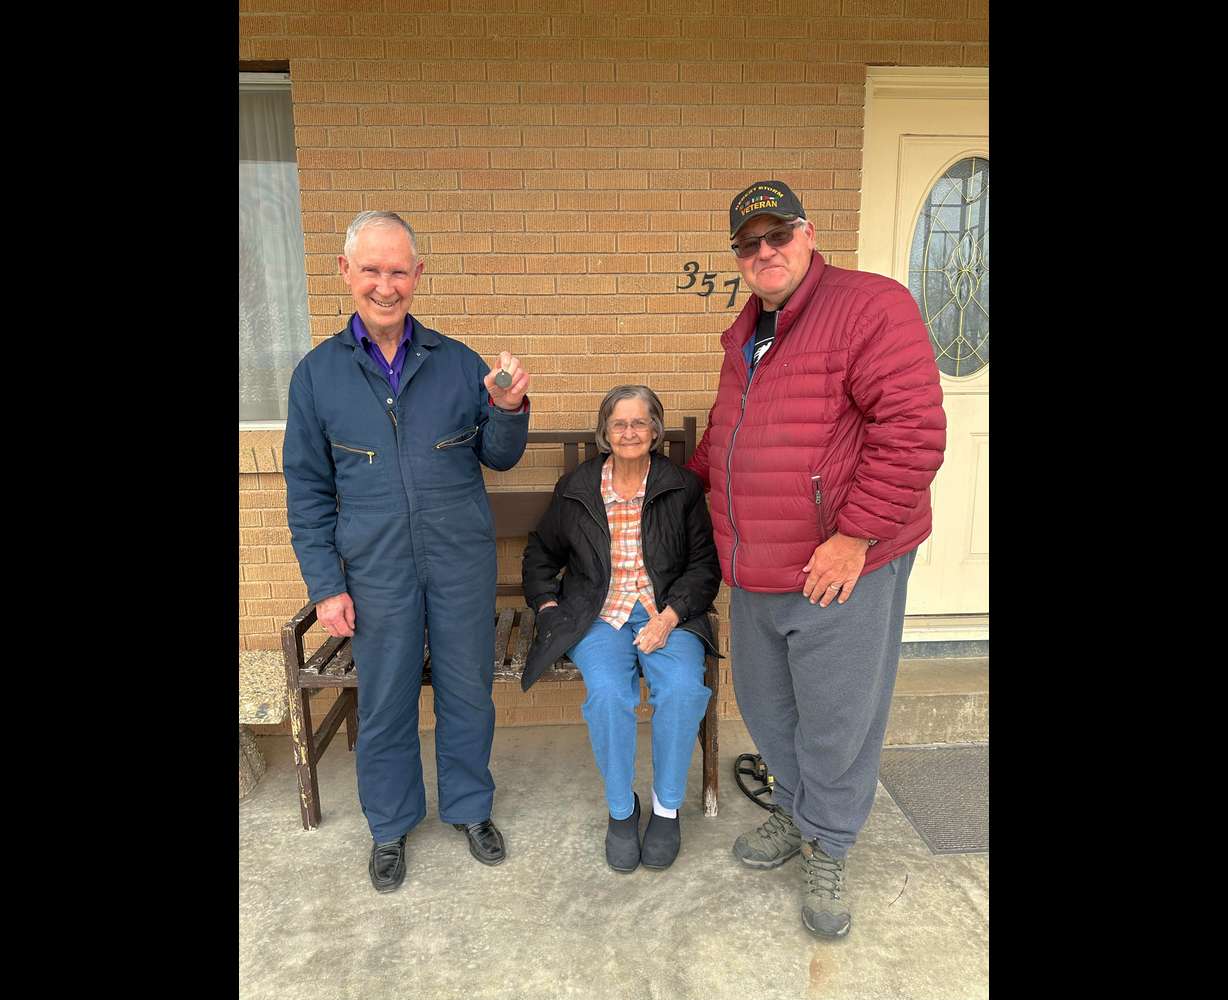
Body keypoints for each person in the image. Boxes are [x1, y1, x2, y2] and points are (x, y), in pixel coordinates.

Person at [686, 180, 946, 937]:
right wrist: (664, 480)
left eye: (778, 235)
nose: (764, 251)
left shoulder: (870, 306)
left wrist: (856, 536)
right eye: (748, 242)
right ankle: (800, 814)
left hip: (841, 562)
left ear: (806, 234)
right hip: (758, 561)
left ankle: (828, 844)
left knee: (836, 717)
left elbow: (914, 430)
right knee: (770, 710)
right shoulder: (750, 334)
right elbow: (732, 435)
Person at [283, 210, 531, 893]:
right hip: (375, 570)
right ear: (346, 273)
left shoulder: (457, 363)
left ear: (417, 276)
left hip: (458, 560)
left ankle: (470, 808)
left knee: (466, 693)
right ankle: (390, 824)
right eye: (372, 270)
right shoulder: (317, 377)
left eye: (398, 271)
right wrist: (326, 585)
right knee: (387, 699)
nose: (385, 286)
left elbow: (500, 457)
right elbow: (306, 491)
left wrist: (509, 407)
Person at [521, 385, 721, 873]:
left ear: (655, 430)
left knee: (681, 690)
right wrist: (549, 607)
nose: (629, 432)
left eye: (639, 422)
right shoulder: (576, 488)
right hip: (598, 614)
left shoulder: (681, 488)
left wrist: (670, 617)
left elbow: (703, 567)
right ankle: (621, 810)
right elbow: (540, 555)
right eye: (619, 423)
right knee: (609, 696)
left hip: (667, 612)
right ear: (604, 433)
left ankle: (667, 808)